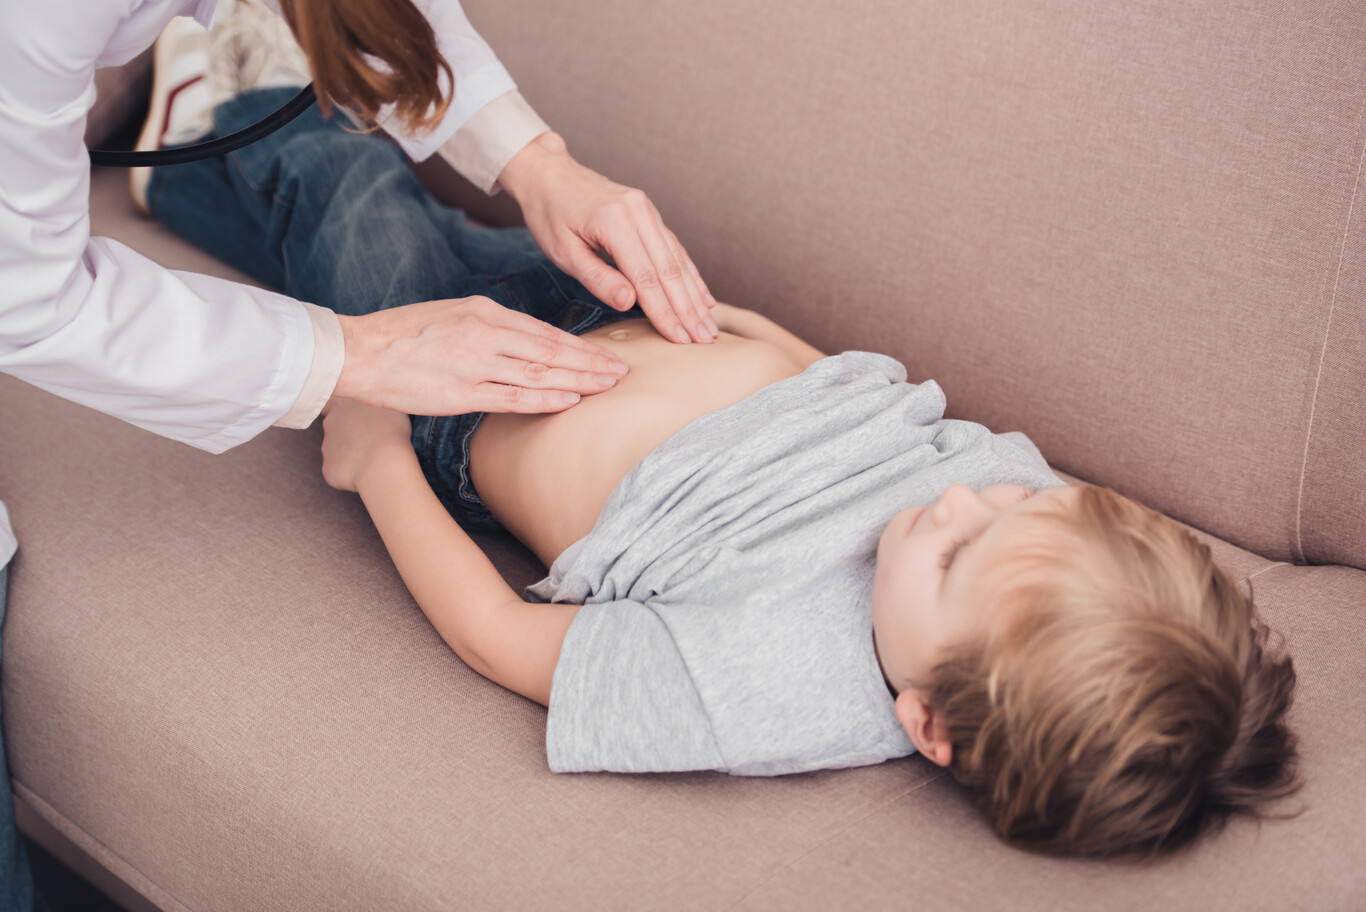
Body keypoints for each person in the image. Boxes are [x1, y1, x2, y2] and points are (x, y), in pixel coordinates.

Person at [141, 33, 1301, 857]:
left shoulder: (773, 688)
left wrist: (379, 459)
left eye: (957, 553)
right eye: (1014, 504)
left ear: (929, 725)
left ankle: (233, 109)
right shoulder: (1018, 522)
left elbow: (502, 636)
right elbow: (865, 396)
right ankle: (198, 156)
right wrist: (736, 331)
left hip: (461, 403)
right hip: (597, 307)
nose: (964, 500)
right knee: (435, 218)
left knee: (358, 201)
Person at [0, 0, 716, 903]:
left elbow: (382, 13)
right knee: (359, 203)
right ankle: (221, 126)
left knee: (371, 213)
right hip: (478, 410)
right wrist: (360, 373)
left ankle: (202, 143)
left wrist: (542, 167)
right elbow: (26, 297)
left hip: (523, 377)